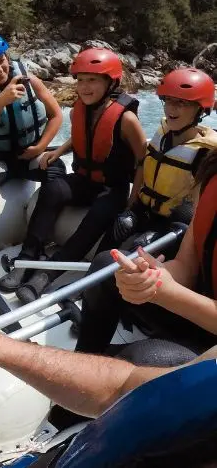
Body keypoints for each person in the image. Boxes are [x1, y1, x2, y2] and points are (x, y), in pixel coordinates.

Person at [0, 48, 147, 302]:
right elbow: (81, 134)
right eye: (80, 80)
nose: (84, 87)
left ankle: (46, 276)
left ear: (110, 83)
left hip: (113, 187)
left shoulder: (127, 119)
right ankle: (27, 258)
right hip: (84, 180)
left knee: (97, 217)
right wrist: (58, 152)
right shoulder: (80, 108)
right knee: (53, 188)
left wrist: (133, 202)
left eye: (93, 80)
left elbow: (144, 159)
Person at [74, 148, 217, 359]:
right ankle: (84, 360)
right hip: (197, 314)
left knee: (144, 357)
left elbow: (172, 295)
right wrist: (154, 275)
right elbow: (186, 267)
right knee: (107, 266)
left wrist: (167, 294)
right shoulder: (212, 170)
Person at [0, 32, 66, 272]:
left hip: (30, 152)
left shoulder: (32, 82)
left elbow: (56, 116)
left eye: (1, 60)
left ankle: (35, 245)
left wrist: (40, 147)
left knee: (56, 170)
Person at [97, 68, 217, 255]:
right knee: (119, 227)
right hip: (145, 208)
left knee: (140, 246)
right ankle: (91, 273)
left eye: (181, 103)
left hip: (172, 221)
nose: (171, 108)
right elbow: (144, 165)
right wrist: (131, 206)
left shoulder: (205, 152)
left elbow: (202, 205)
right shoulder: (161, 133)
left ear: (201, 109)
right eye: (168, 100)